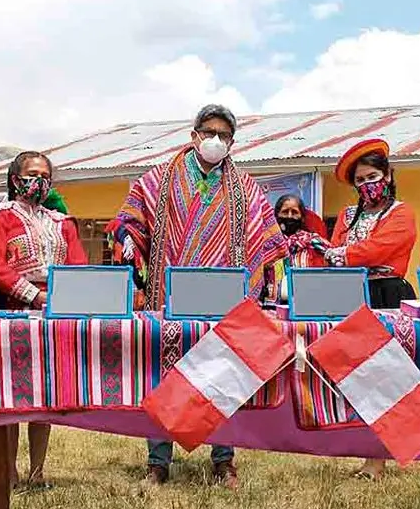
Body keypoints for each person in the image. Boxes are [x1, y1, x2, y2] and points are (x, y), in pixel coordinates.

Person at [107, 104, 288, 488]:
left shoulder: (247, 188)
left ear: (232, 143)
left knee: (221, 374)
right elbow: (130, 218)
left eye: (225, 135)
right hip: (167, 297)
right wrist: (127, 238)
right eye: (210, 132)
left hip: (224, 302)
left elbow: (266, 239)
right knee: (163, 375)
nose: (216, 140)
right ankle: (158, 462)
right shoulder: (158, 179)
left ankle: (223, 459)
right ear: (194, 135)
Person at [0, 151, 88, 488]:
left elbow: (77, 265)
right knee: (13, 394)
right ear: (15, 178)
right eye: (32, 172)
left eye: (46, 174)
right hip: (11, 313)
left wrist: (65, 297)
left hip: (54, 317)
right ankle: (9, 470)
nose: (40, 179)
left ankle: (37, 471)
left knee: (44, 392)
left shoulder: (63, 223)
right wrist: (34, 295)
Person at [323, 139, 418, 480]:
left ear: (389, 175)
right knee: (361, 376)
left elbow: (382, 248)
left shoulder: (402, 213)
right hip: (353, 296)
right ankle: (371, 456)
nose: (367, 185)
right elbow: (332, 250)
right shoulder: (348, 216)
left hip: (388, 294)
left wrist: (343, 255)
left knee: (390, 375)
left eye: (372, 176)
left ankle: (385, 455)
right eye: (360, 180)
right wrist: (337, 255)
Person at [264, 194, 330, 303]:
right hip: (271, 305)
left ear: (302, 218)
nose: (289, 216)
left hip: (308, 304)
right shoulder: (266, 245)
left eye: (294, 212)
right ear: (276, 216)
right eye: (285, 212)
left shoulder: (315, 243)